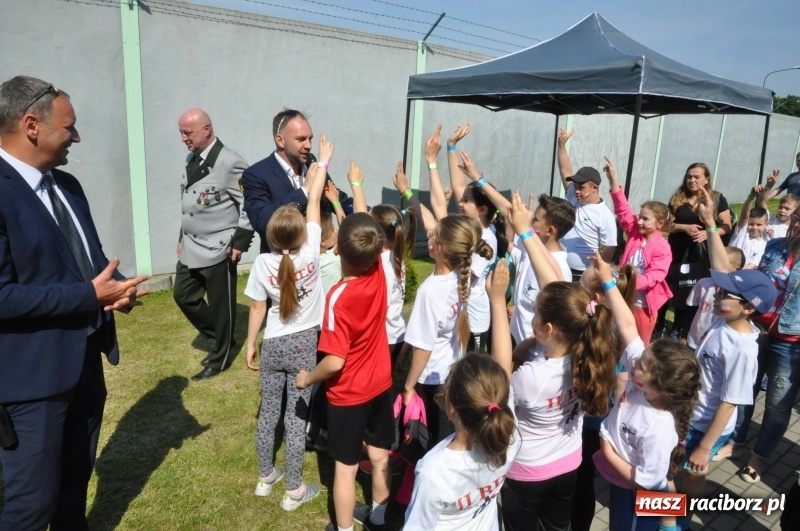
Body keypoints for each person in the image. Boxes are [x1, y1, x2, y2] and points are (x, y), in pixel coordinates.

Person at [0, 75, 149, 530]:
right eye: (69, 127)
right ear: (31, 125)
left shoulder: (67, 185)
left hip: (84, 361)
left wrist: (116, 288)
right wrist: (88, 295)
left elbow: (89, 260)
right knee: (30, 506)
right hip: (31, 382)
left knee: (72, 487)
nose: (77, 137)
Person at [502, 191, 617, 531]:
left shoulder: (534, 376)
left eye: (535, 314)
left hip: (528, 472)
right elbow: (551, 286)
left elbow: (498, 376)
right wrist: (525, 231)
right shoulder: (587, 350)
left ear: (546, 328)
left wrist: (497, 304)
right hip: (567, 462)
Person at [676, 187, 778, 530]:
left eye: (724, 293)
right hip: (692, 416)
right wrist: (708, 221)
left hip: (706, 426)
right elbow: (723, 268)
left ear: (749, 307)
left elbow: (731, 402)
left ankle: (676, 522)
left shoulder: (743, 347)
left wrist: (705, 447)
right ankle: (668, 516)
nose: (717, 293)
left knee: (690, 476)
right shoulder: (728, 316)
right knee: (677, 474)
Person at [243, 133, 333, 511]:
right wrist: (322, 164)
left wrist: (250, 344)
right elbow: (312, 201)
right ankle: (294, 489)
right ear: (300, 234)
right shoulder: (312, 249)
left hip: (274, 344)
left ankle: (267, 477)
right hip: (303, 344)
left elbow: (257, 309)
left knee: (269, 414)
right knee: (295, 420)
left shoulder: (264, 263)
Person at [404, 260, 520, 531]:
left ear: (451, 408)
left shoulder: (434, 471)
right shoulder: (509, 434)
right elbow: (504, 367)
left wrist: (496, 299)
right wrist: (497, 300)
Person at [295, 212, 393, 531]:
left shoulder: (337, 298)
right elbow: (367, 232)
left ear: (337, 248)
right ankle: (379, 516)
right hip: (380, 383)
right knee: (379, 457)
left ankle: (344, 529)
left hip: (349, 394)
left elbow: (334, 361)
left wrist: (307, 378)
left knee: (345, 469)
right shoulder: (379, 271)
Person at [592, 251, 701, 531]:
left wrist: (607, 449)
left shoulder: (658, 429)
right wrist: (607, 282)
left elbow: (646, 482)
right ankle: (673, 523)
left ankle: (671, 526)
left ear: (651, 384)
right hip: (625, 483)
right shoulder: (646, 379)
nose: (634, 361)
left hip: (637, 496)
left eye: (641, 364)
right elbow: (628, 325)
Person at [174, 108, 254, 380]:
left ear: (206, 129)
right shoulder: (192, 158)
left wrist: (240, 242)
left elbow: (249, 204)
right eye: (182, 133)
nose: (184, 138)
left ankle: (219, 359)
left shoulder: (230, 162)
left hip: (220, 246)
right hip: (191, 244)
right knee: (183, 295)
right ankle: (222, 335)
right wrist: (180, 238)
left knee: (221, 306)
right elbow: (189, 203)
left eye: (188, 132)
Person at [735, 201, 800, 484]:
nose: (796, 223)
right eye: (796, 217)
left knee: (777, 403)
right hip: (758, 329)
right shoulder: (775, 246)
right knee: (745, 389)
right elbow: (760, 282)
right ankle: (735, 440)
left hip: (791, 341)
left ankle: (759, 456)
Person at [242, 109, 352, 253]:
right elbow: (261, 221)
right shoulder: (256, 174)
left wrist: (373, 214)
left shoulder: (312, 167)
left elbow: (341, 201)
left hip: (320, 262)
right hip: (282, 264)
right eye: (301, 139)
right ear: (280, 140)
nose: (309, 146)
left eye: (310, 139)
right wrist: (304, 192)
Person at [604, 156, 673, 344]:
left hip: (642, 305)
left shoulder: (663, 248)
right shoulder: (635, 232)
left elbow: (654, 277)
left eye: (645, 219)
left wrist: (626, 281)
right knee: (615, 341)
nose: (639, 221)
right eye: (639, 217)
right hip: (623, 298)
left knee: (637, 345)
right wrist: (613, 180)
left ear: (660, 224)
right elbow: (623, 210)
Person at [660, 162, 733, 341]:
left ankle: (687, 331)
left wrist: (708, 233)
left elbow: (727, 226)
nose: (691, 180)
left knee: (695, 289)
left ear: (706, 179)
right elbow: (666, 225)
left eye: (696, 176)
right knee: (677, 286)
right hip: (678, 252)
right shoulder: (678, 197)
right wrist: (683, 227)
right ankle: (672, 329)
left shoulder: (716, 198)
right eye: (689, 176)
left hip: (701, 255)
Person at [556, 128, 617, 280]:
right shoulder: (574, 197)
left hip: (583, 274)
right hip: (560, 266)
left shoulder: (604, 215)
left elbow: (610, 245)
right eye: (575, 187)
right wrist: (561, 145)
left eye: (581, 188)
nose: (576, 191)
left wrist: (598, 270)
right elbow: (565, 170)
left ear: (594, 188)